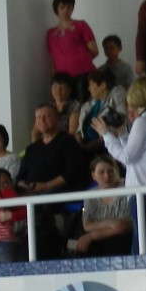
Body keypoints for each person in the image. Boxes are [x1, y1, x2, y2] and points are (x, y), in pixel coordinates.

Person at [97, 74, 146, 255]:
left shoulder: (143, 122)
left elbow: (127, 157)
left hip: (144, 194)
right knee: (144, 246)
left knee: (145, 249)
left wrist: (106, 135)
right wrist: (123, 134)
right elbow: (138, 154)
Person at [17, 103, 89, 260]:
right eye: (38, 117)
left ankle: (41, 245)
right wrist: (25, 187)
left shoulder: (67, 142)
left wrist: (46, 185)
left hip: (61, 190)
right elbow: (20, 177)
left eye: (46, 116)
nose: (42, 120)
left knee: (41, 203)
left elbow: (73, 172)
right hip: (32, 192)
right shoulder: (32, 149)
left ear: (57, 118)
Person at [71, 155, 133, 257]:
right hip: (101, 235)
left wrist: (91, 236)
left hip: (121, 236)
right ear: (94, 175)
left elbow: (122, 226)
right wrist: (110, 222)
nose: (107, 176)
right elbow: (87, 225)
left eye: (110, 171)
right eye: (101, 172)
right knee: (80, 249)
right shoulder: (89, 195)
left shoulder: (126, 190)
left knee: (114, 245)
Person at [46, 0, 98, 79]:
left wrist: (78, 62)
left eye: (69, 7)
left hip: (84, 74)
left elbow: (94, 51)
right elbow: (53, 59)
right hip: (62, 78)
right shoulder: (50, 34)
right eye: (62, 7)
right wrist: (54, 79)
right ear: (56, 10)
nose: (66, 10)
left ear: (72, 9)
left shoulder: (81, 25)